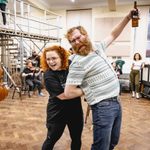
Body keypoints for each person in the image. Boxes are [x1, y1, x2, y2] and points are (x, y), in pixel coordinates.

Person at [60, 10, 134, 150]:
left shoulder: (98, 47)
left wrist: (128, 17)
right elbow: (68, 92)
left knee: (113, 142)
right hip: (103, 107)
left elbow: (113, 34)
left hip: (116, 102)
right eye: (72, 41)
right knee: (101, 147)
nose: (76, 42)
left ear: (85, 34)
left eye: (78, 37)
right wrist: (89, 88)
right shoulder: (77, 62)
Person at [41, 45, 83, 150]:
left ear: (62, 57)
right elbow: (64, 96)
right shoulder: (48, 75)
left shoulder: (71, 66)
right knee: (51, 140)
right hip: (57, 113)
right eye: (48, 59)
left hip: (75, 111)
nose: (51, 62)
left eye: (54, 58)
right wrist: (86, 90)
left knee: (76, 139)